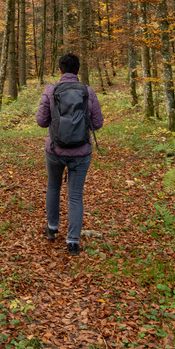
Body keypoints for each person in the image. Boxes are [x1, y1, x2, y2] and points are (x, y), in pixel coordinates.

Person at [35, 53, 103, 255]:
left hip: (55, 150)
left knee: (53, 186)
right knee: (75, 196)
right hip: (81, 152)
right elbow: (98, 123)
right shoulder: (87, 91)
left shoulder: (51, 89)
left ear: (60, 71)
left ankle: (52, 228)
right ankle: (72, 241)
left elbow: (40, 121)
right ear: (78, 70)